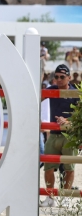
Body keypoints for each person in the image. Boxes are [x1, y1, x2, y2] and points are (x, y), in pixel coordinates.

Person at [40, 64, 80, 207]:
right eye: (56, 77)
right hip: (53, 135)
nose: (58, 79)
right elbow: (34, 100)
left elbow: (79, 116)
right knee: (48, 168)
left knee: (69, 168)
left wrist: (67, 120)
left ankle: (66, 198)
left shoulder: (76, 93)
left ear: (69, 78)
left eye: (62, 77)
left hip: (69, 136)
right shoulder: (50, 91)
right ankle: (50, 198)